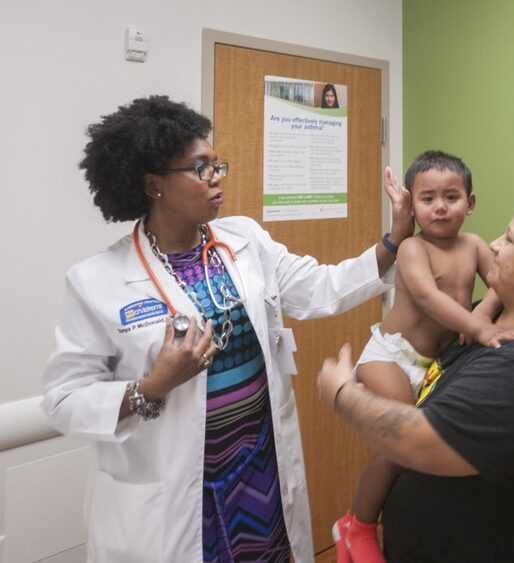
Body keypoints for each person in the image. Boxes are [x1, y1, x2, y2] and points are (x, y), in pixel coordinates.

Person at [41, 95, 413, 563]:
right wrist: (153, 386)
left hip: (257, 473)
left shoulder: (244, 240)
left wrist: (394, 240)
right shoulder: (99, 280)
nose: (217, 178)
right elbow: (62, 400)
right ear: (154, 185)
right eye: (201, 168)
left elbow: (321, 285)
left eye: (218, 165)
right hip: (178, 497)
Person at [318, 186, 514, 562]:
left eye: (510, 240)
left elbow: (419, 441)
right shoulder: (499, 318)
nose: (495, 245)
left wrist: (341, 393)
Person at [331, 150, 514, 563]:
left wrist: (483, 310)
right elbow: (427, 297)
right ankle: (357, 525)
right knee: (398, 444)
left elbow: (502, 282)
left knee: (422, 453)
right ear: (412, 206)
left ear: (470, 204)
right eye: (428, 198)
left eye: (451, 197)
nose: (440, 206)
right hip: (390, 356)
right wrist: (478, 328)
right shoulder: (411, 249)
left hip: (436, 365)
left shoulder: (474, 245)